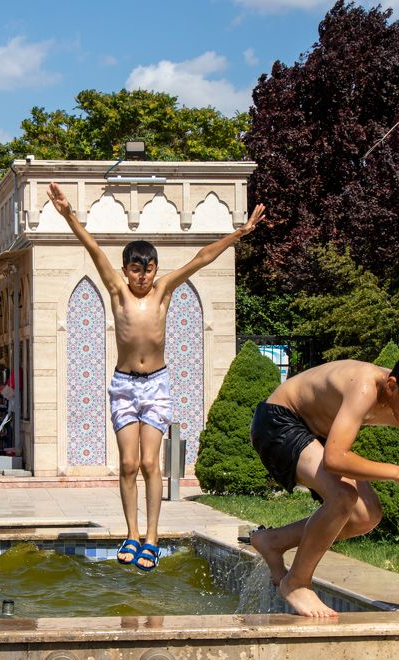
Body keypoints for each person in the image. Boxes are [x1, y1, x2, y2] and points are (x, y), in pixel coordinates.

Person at [47, 181, 266, 572]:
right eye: (135, 269)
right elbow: (93, 248)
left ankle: (151, 537)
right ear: (125, 270)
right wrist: (68, 215)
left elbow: (201, 258)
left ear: (155, 270)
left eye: (147, 269)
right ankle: (131, 534)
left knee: (151, 464)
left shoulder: (163, 291)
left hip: (156, 385)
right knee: (127, 464)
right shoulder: (117, 291)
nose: (142, 276)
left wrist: (240, 233)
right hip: (124, 386)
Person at [248, 350, 399, 617]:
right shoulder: (365, 385)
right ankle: (296, 582)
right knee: (343, 495)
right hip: (278, 421)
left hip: (315, 433)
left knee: (366, 515)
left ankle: (272, 542)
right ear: (392, 386)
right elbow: (335, 458)